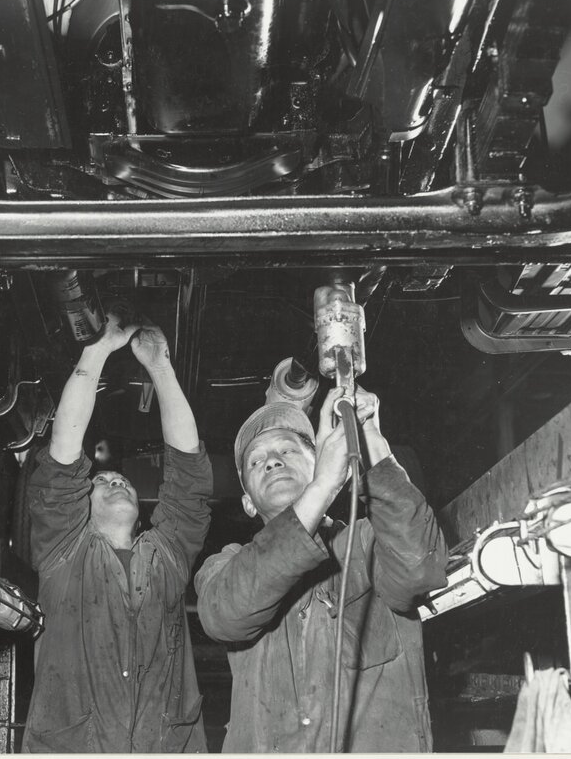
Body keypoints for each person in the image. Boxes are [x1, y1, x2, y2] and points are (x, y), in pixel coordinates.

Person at [195, 386, 448, 752]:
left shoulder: (368, 540)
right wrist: (323, 485)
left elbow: (420, 569)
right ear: (248, 503)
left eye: (287, 450)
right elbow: (225, 615)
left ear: (321, 462)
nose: (272, 461)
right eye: (256, 461)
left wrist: (369, 437)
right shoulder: (224, 564)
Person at [22, 315, 212, 753]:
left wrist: (160, 367)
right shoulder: (62, 552)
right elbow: (63, 458)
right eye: (102, 481)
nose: (117, 482)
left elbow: (188, 477)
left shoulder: (168, 556)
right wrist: (97, 350)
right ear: (78, 508)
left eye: (122, 481)